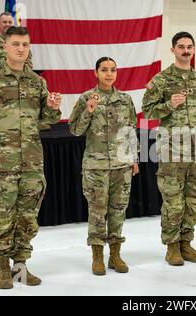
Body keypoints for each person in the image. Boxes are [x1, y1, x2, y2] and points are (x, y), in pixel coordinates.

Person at [0, 26, 62, 289]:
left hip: (31, 162)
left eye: (25, 44)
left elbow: (45, 120)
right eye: (16, 44)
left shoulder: (36, 82)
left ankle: (21, 266)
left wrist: (53, 108)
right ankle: (3, 267)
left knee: (28, 217)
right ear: (5, 47)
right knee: (2, 215)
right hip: (0, 163)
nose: (21, 48)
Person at [142, 32, 196, 266]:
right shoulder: (161, 81)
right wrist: (168, 104)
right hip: (172, 152)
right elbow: (147, 112)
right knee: (173, 201)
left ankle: (187, 243)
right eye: (181, 46)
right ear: (173, 50)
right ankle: (172, 246)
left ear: (193, 50)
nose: (186, 50)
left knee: (193, 200)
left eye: (190, 46)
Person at [69, 57, 139, 276]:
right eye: (104, 70)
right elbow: (75, 130)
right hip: (96, 166)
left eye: (113, 70)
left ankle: (115, 255)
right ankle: (97, 257)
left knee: (118, 211)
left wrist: (134, 159)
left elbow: (131, 131)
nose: (109, 74)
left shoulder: (125, 100)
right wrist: (89, 110)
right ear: (96, 73)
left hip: (122, 166)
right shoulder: (86, 98)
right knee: (97, 212)